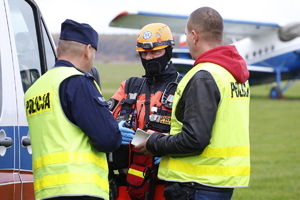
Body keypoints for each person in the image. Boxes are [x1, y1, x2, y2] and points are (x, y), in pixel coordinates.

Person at [136, 7, 251, 200]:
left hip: (195, 185)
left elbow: (195, 139)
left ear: (194, 36)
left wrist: (154, 142)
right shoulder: (232, 73)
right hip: (220, 181)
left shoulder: (204, 76)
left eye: (187, 35)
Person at [24, 19, 122, 200]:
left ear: (57, 50)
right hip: (81, 189)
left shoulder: (34, 89)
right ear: (87, 50)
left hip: (46, 191)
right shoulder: (77, 82)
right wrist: (116, 129)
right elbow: (108, 139)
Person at [107, 23, 182, 200]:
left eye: (155, 52)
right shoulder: (129, 86)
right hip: (127, 184)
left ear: (169, 51)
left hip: (167, 185)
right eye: (144, 53)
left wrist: (167, 147)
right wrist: (114, 128)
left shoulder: (183, 87)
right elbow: (102, 121)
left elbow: (193, 136)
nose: (148, 58)